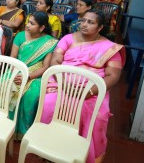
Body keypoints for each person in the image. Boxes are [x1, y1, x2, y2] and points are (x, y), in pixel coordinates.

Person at [41, 9, 125, 163]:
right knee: (48, 105)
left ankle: (82, 154)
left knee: (96, 115)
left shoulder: (109, 48)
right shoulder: (68, 38)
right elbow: (56, 60)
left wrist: (91, 91)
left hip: (92, 89)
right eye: (83, 20)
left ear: (100, 28)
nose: (84, 24)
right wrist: (63, 81)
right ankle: (50, 148)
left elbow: (113, 76)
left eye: (90, 22)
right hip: (63, 82)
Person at [9, 11, 58, 140]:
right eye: (28, 22)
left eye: (32, 23)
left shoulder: (49, 42)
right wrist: (16, 73)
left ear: (42, 27)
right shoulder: (20, 36)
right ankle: (6, 125)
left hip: (35, 75)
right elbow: (13, 57)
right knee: (2, 86)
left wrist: (28, 76)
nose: (28, 25)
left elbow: (45, 66)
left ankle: (23, 132)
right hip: (17, 70)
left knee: (30, 96)